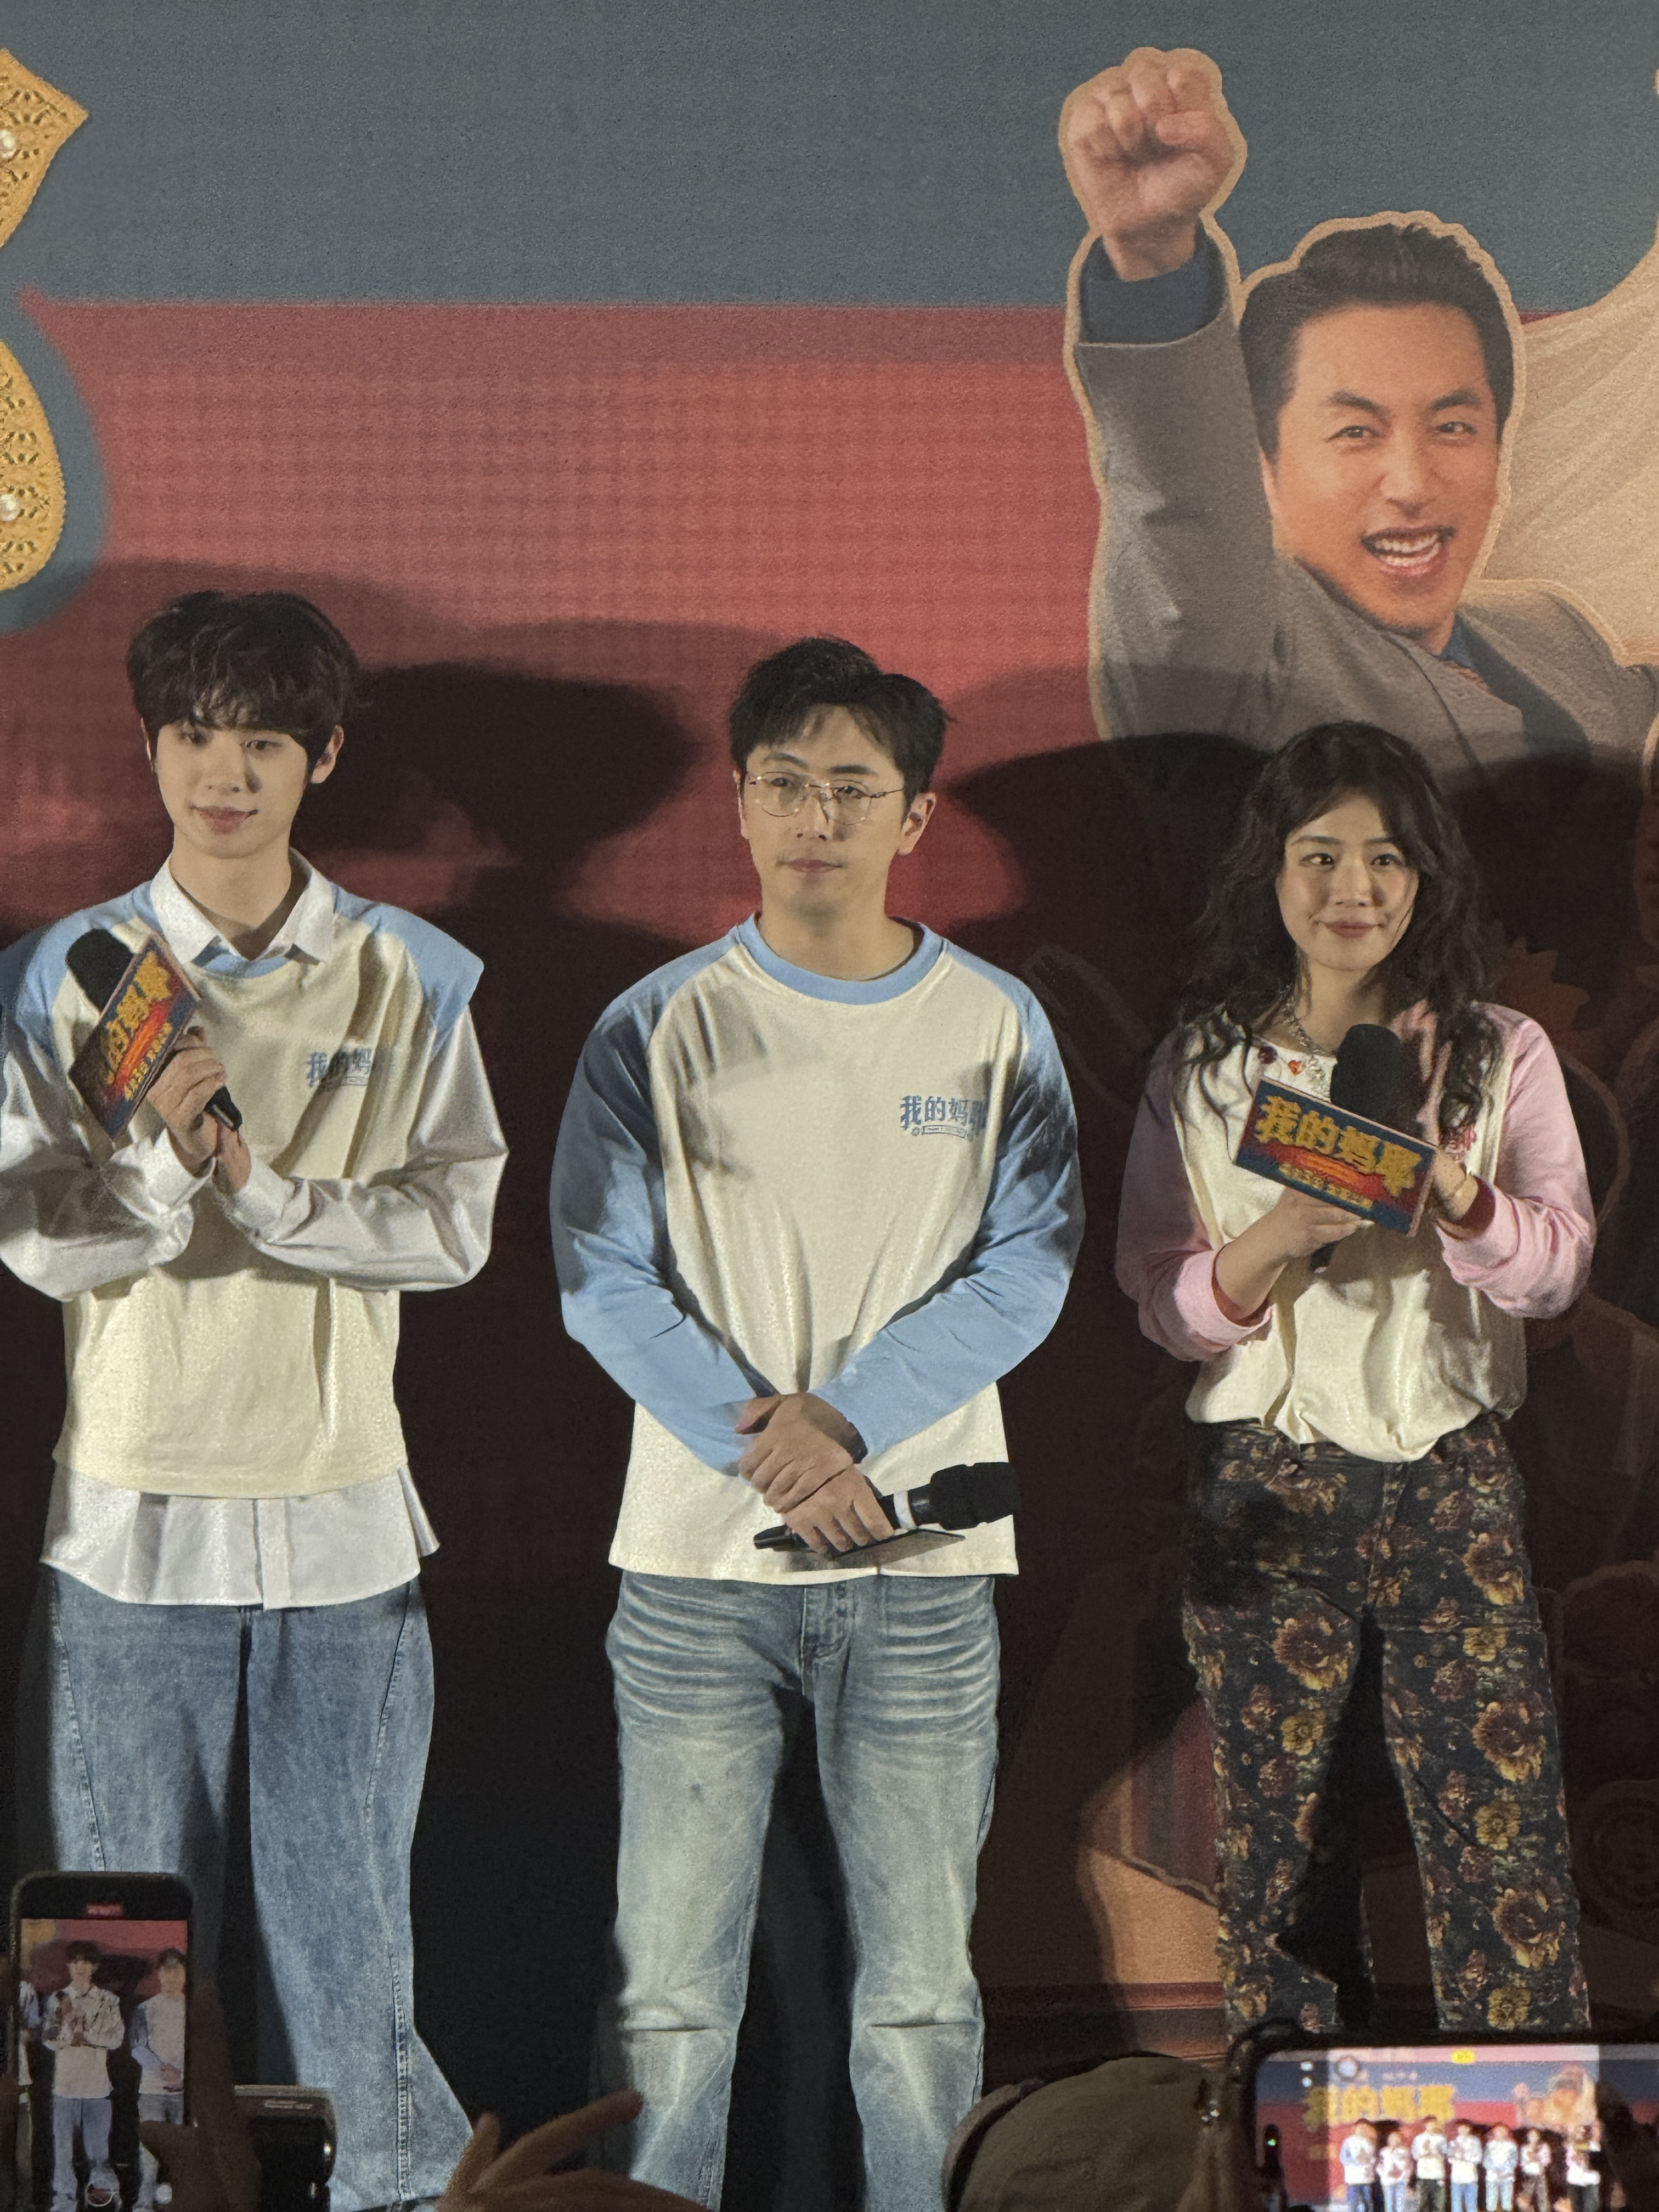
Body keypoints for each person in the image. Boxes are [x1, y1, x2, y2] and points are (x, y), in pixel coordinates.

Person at [551, 636, 1082, 2210]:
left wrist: (840, 1422)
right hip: (694, 1576)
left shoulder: (995, 1024)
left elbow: (1031, 1267)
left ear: (913, 816)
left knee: (922, 2001)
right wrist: (762, 1442)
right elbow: (597, 1275)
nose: (816, 817)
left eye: (854, 787)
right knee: (668, 1994)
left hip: (923, 1575)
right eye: (787, 783)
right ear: (740, 800)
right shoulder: (655, 1022)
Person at [0, 590, 508, 2212]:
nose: (225, 776)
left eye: (264, 744)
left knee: (351, 1957)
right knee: (106, 1969)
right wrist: (164, 1165)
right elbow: (37, 1237)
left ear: (323, 758)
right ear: (152, 749)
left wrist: (271, 1195)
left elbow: (454, 1228)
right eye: (195, 738)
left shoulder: (407, 973)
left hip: (341, 1526)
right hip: (128, 1526)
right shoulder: (66, 974)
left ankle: (396, 2195)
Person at [1116, 720, 1590, 2035]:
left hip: (1453, 1473)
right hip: (1268, 1481)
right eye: (1319, 855)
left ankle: (1522, 2113)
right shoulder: (1207, 1068)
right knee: (1274, 1830)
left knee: (1498, 1823)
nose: (1353, 888)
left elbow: (1557, 1269)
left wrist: (1457, 1194)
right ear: (1270, 873)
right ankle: (1288, 2097)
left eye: (1385, 857)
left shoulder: (1496, 1053)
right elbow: (1159, 1299)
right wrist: (1274, 1238)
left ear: (1425, 876)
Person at [1058, 46, 1659, 1001]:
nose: (1411, 483)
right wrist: (1153, 257)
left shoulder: (1556, 638)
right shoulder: (1227, 659)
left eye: (1452, 427)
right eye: (1355, 432)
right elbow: (1181, 505)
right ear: (1262, 463)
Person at [43, 1942, 122, 2212]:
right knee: (63, 2151)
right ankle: (64, 2200)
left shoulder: (108, 2000)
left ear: (94, 1967)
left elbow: (116, 2039)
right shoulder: (57, 1999)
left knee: (99, 2152)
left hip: (97, 2088)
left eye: (86, 1963)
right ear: (69, 1966)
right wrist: (68, 2033)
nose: (80, 1968)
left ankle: (100, 2199)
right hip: (65, 2088)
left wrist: (86, 2035)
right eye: (76, 1962)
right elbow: (49, 2040)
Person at [131, 1949, 188, 2211]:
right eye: (167, 1971)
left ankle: (182, 2200)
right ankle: (144, 2202)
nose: (172, 1977)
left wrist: (182, 2076)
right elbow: (137, 2047)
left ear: (185, 1973)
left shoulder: (193, 2010)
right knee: (149, 2150)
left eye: (177, 1971)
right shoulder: (146, 2008)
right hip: (152, 2091)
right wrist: (162, 2071)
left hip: (185, 2094)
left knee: (184, 2149)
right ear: (159, 1974)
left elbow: (201, 2049)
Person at [1341, 2121, 1380, 2212]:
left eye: (1365, 2128)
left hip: (1366, 2177)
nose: (1363, 2130)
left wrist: (1368, 2161)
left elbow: (1375, 2158)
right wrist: (1357, 2161)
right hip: (1353, 2178)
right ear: (1355, 2129)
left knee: (1368, 2202)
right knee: (1354, 2203)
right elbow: (1344, 2158)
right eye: (1361, 2128)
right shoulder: (1349, 2142)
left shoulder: (1370, 2143)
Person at [1416, 2123, 1452, 2212]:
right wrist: (1425, 2151)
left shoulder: (1441, 2139)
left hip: (1438, 2175)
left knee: (1438, 2204)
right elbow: (1416, 2155)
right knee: (1423, 2204)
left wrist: (1436, 2151)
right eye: (1429, 2125)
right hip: (1423, 2175)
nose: (1432, 2127)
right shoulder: (1419, 2139)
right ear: (1425, 2126)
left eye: (1434, 2125)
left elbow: (1446, 2156)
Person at [1379, 2126, 1414, 2212]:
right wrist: (1386, 2174)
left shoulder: (1405, 2151)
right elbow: (1379, 2166)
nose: (1395, 2141)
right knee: (1389, 2203)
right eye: (1392, 2139)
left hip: (1401, 2181)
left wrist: (1401, 2173)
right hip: (1388, 2181)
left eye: (1397, 2138)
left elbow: (1409, 2166)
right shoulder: (1384, 2152)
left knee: (1400, 2203)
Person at [1566, 2128, 1600, 2212]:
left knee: (1591, 2207)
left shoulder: (1593, 2145)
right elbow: (1569, 2161)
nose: (1582, 2132)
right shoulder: (1572, 2146)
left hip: (1590, 2180)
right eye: (1579, 2131)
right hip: (1575, 2179)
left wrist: (1586, 2158)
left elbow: (1597, 2158)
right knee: (1576, 2206)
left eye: (1583, 2131)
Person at [1452, 2125, 1485, 2212]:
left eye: (1465, 2128)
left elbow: (1478, 2158)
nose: (1463, 2130)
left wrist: (1466, 2157)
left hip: (1471, 2176)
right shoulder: (1454, 2142)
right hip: (1457, 2177)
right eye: (1461, 2128)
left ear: (1469, 2129)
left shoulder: (1475, 2141)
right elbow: (1450, 2158)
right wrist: (1458, 2157)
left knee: (1471, 2203)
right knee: (1457, 2202)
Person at [1487, 2125, 1521, 2212]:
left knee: (1507, 2199)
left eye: (1503, 2131)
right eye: (1498, 2131)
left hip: (1507, 2176)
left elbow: (1514, 2160)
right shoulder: (1490, 2145)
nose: (1500, 2133)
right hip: (1492, 2176)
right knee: (1492, 2198)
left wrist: (1503, 2170)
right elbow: (1486, 2160)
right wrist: (1494, 2169)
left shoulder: (1512, 2145)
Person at [1521, 2130, 1554, 2212]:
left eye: (1535, 2135)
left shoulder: (1544, 2147)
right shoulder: (1525, 2148)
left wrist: (1537, 2158)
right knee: (1526, 2197)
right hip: (1528, 2175)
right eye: (1531, 2136)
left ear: (1539, 2137)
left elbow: (1547, 2161)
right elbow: (1522, 2162)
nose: (1533, 2138)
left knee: (1542, 2196)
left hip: (1540, 2174)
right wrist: (1530, 2159)